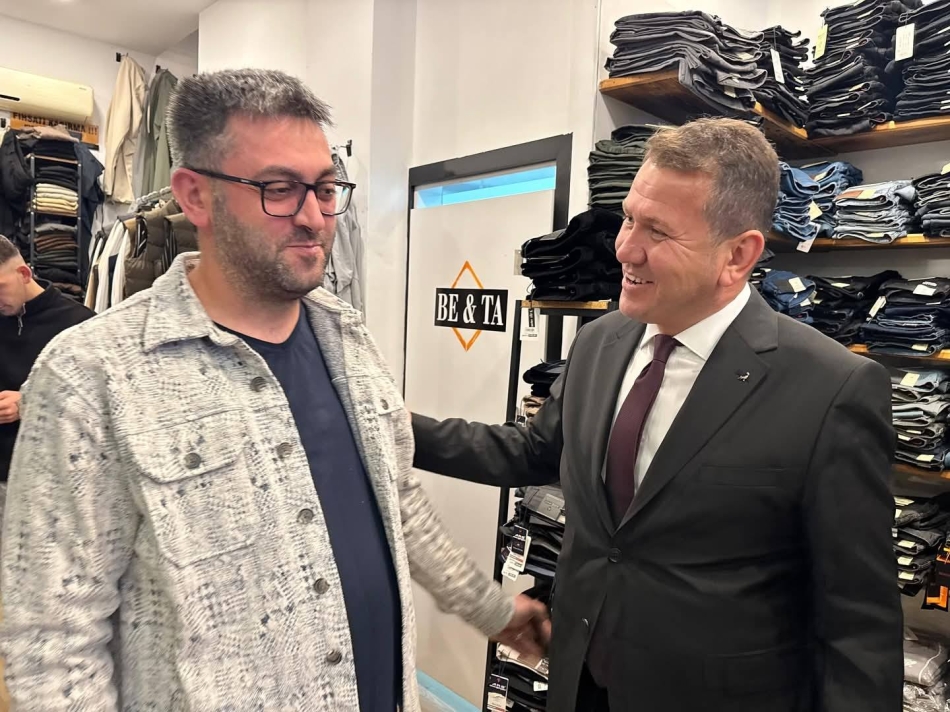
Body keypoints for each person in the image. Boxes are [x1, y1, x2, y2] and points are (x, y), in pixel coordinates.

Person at [0, 69, 548, 711]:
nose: (314, 217)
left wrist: (489, 609)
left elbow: (398, 504)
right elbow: (52, 641)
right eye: (280, 190)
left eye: (325, 188)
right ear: (195, 196)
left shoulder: (349, 341)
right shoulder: (91, 376)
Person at [412, 118, 902, 712]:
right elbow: (533, 451)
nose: (624, 248)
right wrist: (388, 428)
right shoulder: (600, 342)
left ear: (738, 255)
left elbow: (858, 624)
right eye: (628, 218)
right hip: (580, 682)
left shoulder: (830, 388)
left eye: (658, 231)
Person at [0, 235, 92, 526]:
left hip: (46, 483)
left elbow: (97, 406)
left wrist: (29, 402)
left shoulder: (80, 325)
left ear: (24, 273)